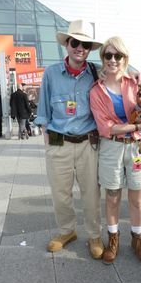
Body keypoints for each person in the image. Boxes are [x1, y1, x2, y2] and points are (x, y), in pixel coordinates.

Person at [34, 19, 104, 259]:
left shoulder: (96, 72)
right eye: (75, 42)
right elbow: (43, 111)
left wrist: (137, 80)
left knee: (91, 194)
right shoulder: (52, 73)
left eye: (85, 44)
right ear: (67, 44)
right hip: (57, 140)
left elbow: (119, 80)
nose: (80, 48)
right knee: (60, 193)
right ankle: (67, 231)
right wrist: (48, 142)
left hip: (88, 143)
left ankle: (94, 234)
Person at [90, 36, 141, 266]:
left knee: (137, 199)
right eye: (108, 55)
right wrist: (136, 126)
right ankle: (113, 240)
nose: (113, 60)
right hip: (111, 148)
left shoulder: (135, 83)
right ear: (103, 58)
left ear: (125, 58)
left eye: (118, 55)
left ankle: (137, 240)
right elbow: (105, 127)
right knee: (112, 198)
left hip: (137, 147)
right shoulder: (96, 91)